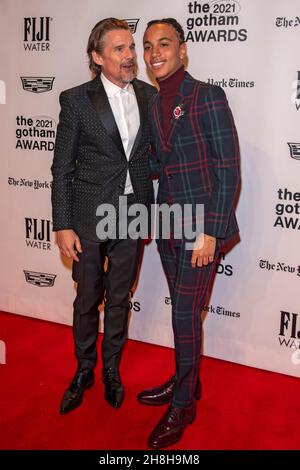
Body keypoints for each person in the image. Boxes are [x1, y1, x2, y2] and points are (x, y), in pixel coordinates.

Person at [138, 18, 240, 449]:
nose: (154, 52)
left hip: (201, 231)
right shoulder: (153, 101)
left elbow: (227, 168)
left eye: (163, 43)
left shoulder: (207, 96)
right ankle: (188, 380)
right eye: (147, 46)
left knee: (183, 314)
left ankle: (183, 404)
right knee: (186, 315)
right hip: (167, 226)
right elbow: (163, 165)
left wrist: (212, 233)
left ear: (183, 49)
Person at [51, 18, 156, 414]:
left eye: (131, 47)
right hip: (88, 215)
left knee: (119, 301)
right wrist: (63, 224)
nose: (131, 56)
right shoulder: (76, 99)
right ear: (97, 57)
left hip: (133, 213)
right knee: (86, 301)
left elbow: (150, 158)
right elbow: (61, 168)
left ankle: (112, 370)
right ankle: (83, 370)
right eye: (120, 49)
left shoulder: (149, 95)